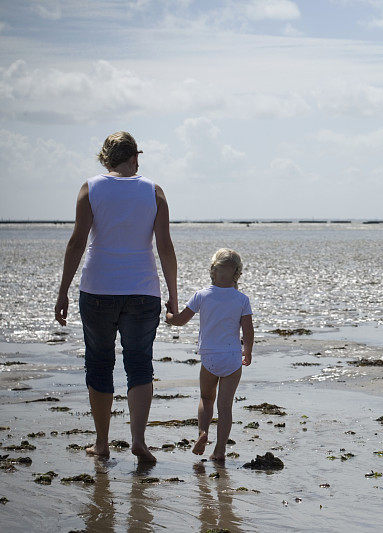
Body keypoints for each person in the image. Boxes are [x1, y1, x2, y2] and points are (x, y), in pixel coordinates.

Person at [54, 131, 178, 462]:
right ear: (134, 156)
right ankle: (138, 440)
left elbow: (77, 242)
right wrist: (173, 294)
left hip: (98, 290)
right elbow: (164, 246)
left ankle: (102, 442)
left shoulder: (90, 189)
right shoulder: (154, 191)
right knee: (139, 363)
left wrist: (63, 291)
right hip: (142, 291)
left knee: (99, 362)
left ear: (105, 158)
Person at [166, 249, 254, 462]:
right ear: (237, 273)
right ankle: (220, 450)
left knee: (206, 398)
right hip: (232, 358)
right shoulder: (241, 299)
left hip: (209, 357)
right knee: (225, 407)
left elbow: (180, 320)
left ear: (213, 270)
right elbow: (248, 330)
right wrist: (248, 351)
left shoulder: (202, 295)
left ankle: (202, 433)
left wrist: (168, 315)